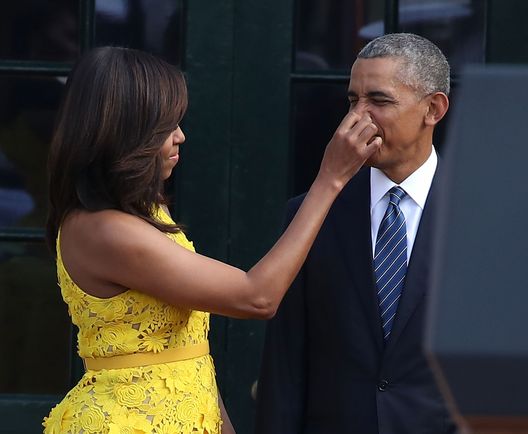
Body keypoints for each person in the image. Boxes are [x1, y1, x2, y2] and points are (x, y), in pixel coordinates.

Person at [42, 46, 381, 434]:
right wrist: (331, 179)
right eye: (166, 127)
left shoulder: (146, 213)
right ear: (126, 132)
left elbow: (185, 354)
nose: (180, 137)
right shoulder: (106, 230)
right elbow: (258, 297)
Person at [255, 33, 457, 434]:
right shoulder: (311, 213)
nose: (357, 117)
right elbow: (285, 366)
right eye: (352, 101)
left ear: (432, 108)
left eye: (379, 101)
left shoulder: (481, 215)